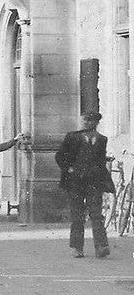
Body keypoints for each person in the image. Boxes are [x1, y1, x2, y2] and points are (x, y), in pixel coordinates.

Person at [55, 111, 114, 258]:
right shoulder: (72, 137)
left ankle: (101, 246)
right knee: (77, 214)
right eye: (85, 120)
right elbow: (60, 156)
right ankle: (76, 247)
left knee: (96, 214)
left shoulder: (102, 139)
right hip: (75, 182)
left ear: (96, 123)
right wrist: (68, 168)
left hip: (94, 182)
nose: (86, 123)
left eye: (90, 121)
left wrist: (105, 180)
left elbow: (100, 161)